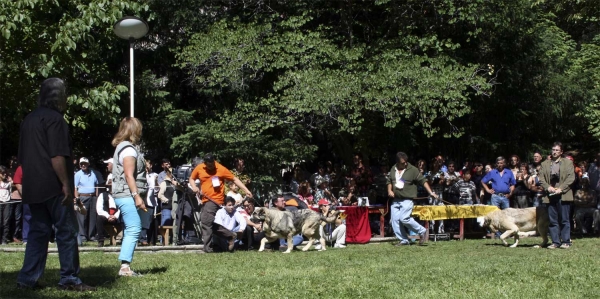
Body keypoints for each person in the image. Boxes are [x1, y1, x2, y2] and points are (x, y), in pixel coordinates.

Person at [16, 78, 95, 291]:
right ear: (60, 97)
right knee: (66, 232)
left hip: (33, 185)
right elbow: (57, 155)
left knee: (37, 232)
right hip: (54, 186)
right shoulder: (56, 120)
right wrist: (66, 185)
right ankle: (69, 278)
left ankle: (27, 278)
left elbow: (22, 157)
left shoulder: (28, 120)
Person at [189, 153, 252, 253]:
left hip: (215, 200)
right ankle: (230, 235)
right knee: (208, 223)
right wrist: (194, 187)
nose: (210, 167)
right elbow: (192, 178)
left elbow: (234, 179)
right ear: (205, 163)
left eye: (212, 164)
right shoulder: (200, 168)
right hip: (205, 199)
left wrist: (246, 190)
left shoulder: (220, 169)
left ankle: (207, 249)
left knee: (205, 222)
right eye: (208, 165)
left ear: (214, 161)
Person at [111, 116, 148, 276]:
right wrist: (136, 196)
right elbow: (128, 175)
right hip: (127, 194)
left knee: (130, 228)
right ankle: (125, 267)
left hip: (125, 194)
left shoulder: (123, 147)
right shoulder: (128, 150)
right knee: (134, 228)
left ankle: (125, 265)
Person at [387, 152, 438, 246]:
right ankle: (403, 240)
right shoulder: (393, 168)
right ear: (397, 162)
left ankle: (422, 231)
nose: (405, 163)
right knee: (395, 220)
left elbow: (423, 181)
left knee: (404, 218)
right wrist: (389, 190)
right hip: (396, 200)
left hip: (407, 199)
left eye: (406, 161)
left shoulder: (413, 170)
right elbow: (389, 181)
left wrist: (431, 193)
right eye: (403, 162)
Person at [538, 142, 575, 249]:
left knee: (564, 219)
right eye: (553, 150)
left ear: (561, 152)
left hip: (563, 194)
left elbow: (571, 178)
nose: (554, 152)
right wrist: (547, 187)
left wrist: (561, 189)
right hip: (550, 195)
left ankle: (566, 241)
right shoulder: (545, 164)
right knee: (552, 220)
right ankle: (555, 242)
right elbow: (541, 179)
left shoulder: (568, 163)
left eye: (557, 150)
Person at [74, 157, 99, 243]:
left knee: (92, 216)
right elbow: (75, 188)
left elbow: (96, 186)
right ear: (80, 165)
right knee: (82, 217)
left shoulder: (93, 173)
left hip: (93, 197)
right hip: (82, 197)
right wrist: (77, 199)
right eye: (81, 164)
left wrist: (96, 196)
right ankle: (82, 236)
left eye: (84, 164)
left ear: (88, 164)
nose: (83, 165)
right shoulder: (78, 174)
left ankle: (91, 235)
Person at [0, 166, 12, 244]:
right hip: (0, 202)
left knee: (6, 221)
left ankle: (4, 239)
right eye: (2, 173)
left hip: (7, 202)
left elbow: (10, 192)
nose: (4, 174)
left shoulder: (8, 183)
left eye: (5, 173)